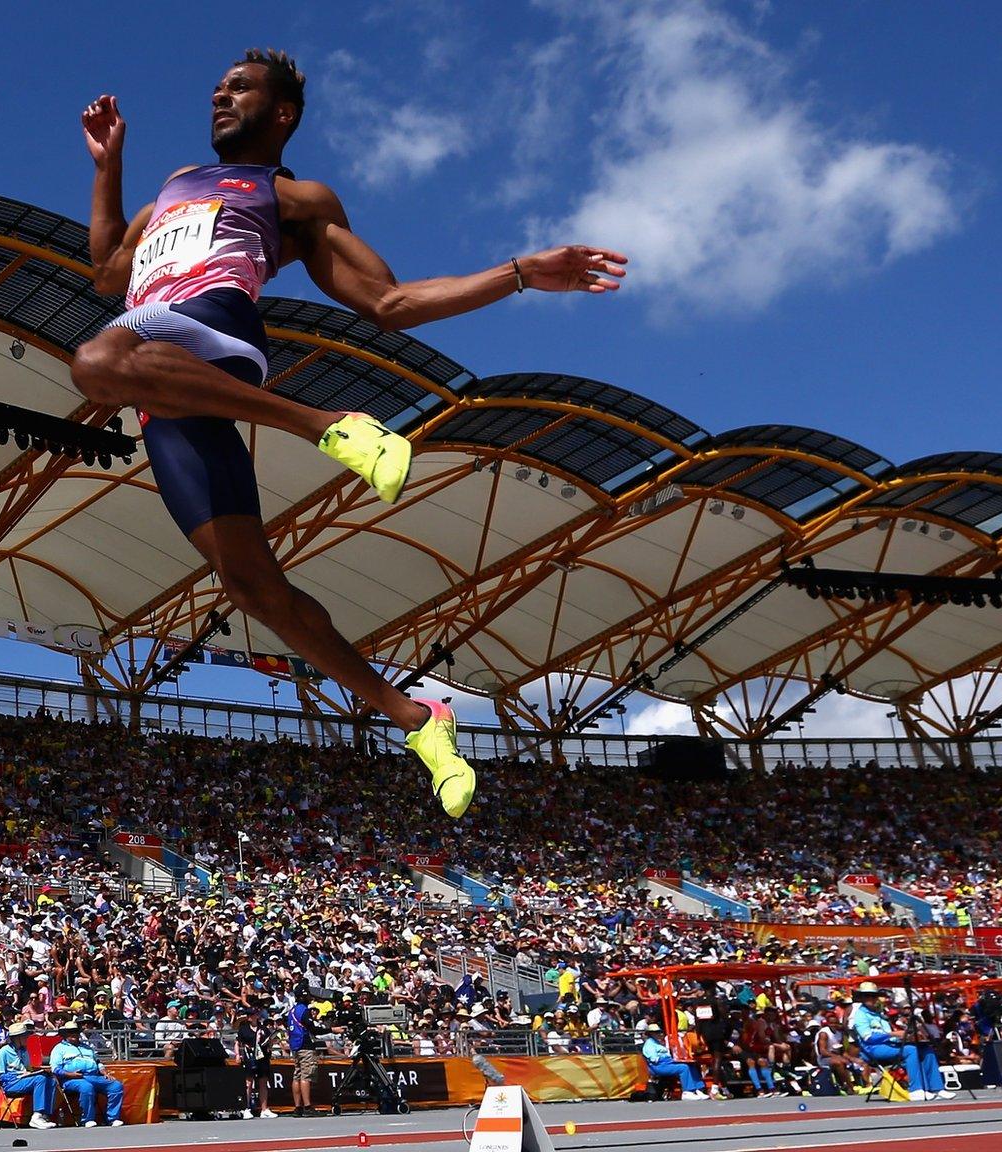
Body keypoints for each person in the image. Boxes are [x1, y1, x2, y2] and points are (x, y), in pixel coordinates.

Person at [72, 52, 627, 818]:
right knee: (250, 587)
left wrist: (520, 273)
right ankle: (416, 721)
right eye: (218, 85)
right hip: (160, 380)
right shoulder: (172, 187)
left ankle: (329, 426)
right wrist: (110, 166)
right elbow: (106, 272)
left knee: (97, 359)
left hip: (210, 329)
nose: (219, 93)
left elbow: (390, 302)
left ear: (282, 114)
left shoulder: (290, 195)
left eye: (240, 87)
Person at [848, 983, 950, 1101]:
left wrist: (905, 1037)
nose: (871, 999)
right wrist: (893, 1034)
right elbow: (868, 1038)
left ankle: (936, 1088)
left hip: (889, 1045)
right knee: (910, 1050)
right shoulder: (860, 1015)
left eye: (873, 996)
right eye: (867, 996)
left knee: (926, 1049)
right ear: (861, 998)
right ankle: (916, 1090)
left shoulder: (879, 1014)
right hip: (873, 1049)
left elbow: (889, 1036)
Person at [49, 1019, 125, 1127]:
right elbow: (55, 1069)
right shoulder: (59, 1049)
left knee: (116, 1086)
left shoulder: (87, 1048)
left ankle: (112, 1118)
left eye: (75, 1032)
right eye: (71, 1032)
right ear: (65, 1034)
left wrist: (104, 1072)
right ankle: (88, 1119)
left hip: (94, 1075)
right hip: (72, 1079)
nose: (74, 1034)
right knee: (86, 1087)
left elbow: (98, 1062)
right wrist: (71, 1074)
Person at [0, 1020, 58, 1130]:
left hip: (25, 1080)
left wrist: (41, 1070)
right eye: (24, 1036)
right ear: (17, 1038)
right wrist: (19, 1076)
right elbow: (0, 1075)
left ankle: (45, 1115)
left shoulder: (25, 1051)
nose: (27, 1038)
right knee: (40, 1079)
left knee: (50, 1079)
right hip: (11, 1084)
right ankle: (36, 1116)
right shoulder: (4, 1051)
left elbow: (29, 1069)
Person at [638, 1021, 709, 1101]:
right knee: (683, 1068)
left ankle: (698, 1089)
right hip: (659, 1066)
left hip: (666, 1063)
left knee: (691, 1065)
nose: (659, 1034)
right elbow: (654, 1059)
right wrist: (668, 1060)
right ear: (650, 1034)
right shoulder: (649, 1044)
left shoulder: (658, 1043)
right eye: (655, 1032)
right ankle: (687, 1091)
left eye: (659, 1032)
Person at [237, 1005, 277, 1119]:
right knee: (248, 1083)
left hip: (262, 1058)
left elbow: (269, 1043)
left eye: (252, 1014)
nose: (250, 1017)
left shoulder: (263, 1029)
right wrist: (238, 1055)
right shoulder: (243, 1029)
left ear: (257, 1016)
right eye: (248, 1015)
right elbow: (238, 1042)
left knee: (263, 1082)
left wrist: (269, 1043)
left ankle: (264, 1109)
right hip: (250, 1058)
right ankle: (246, 1107)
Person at [286, 988, 319, 1117]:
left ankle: (297, 1107)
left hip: (295, 1045)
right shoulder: (303, 1010)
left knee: (297, 1075)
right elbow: (314, 1029)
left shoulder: (292, 1010)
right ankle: (307, 1106)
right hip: (304, 1043)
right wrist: (332, 1029)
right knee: (306, 1075)